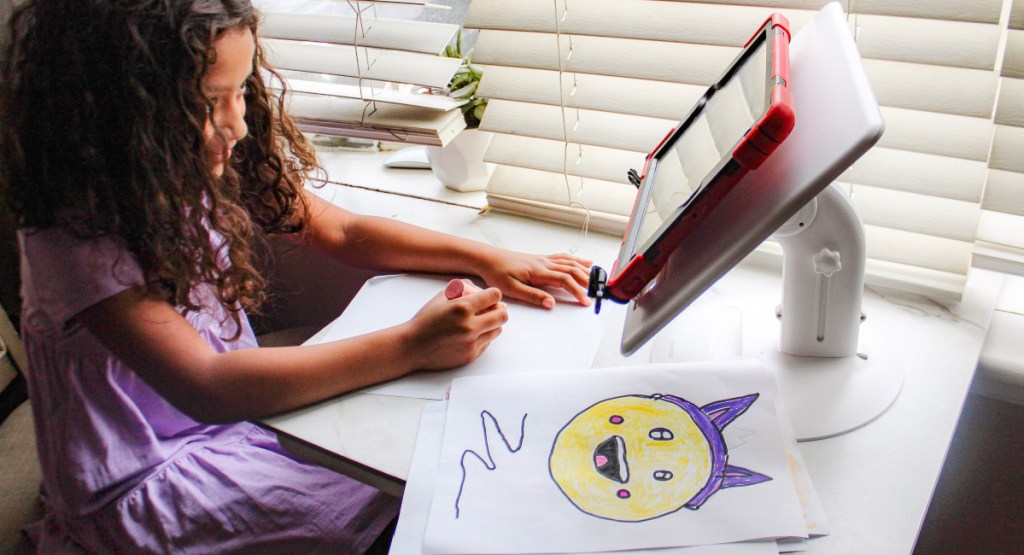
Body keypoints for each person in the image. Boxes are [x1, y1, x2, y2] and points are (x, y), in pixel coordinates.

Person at [0, 1, 592, 552]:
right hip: (149, 473)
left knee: (420, 464)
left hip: (241, 416)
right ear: (116, 114)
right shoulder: (72, 241)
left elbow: (341, 232)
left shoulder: (196, 160)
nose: (239, 125)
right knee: (409, 495)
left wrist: (483, 258)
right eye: (210, 102)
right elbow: (206, 383)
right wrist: (413, 344)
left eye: (240, 91)